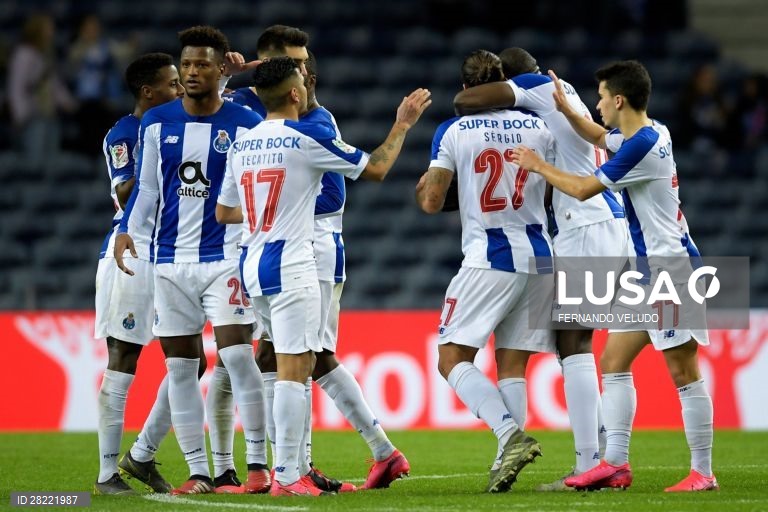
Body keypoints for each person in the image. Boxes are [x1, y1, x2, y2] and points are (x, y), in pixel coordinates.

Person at [216, 56, 430, 497]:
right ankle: (290, 476)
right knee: (296, 367)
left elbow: (223, 211)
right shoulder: (306, 138)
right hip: (294, 261)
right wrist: (403, 125)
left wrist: (266, 213)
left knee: (283, 361)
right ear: (295, 93)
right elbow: (376, 168)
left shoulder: (242, 145)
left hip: (251, 263)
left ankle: (291, 470)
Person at [511, 61, 717, 492]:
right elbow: (603, 137)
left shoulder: (642, 147)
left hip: (671, 271)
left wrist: (538, 165)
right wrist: (569, 112)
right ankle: (615, 464)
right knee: (613, 361)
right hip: (649, 273)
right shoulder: (651, 132)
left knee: (683, 371)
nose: (597, 105)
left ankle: (703, 472)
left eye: (601, 97)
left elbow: (584, 189)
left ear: (618, 99)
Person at [454, 47, 629, 490]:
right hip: (596, 222)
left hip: (586, 225)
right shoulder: (559, 95)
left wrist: (487, 94)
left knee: (575, 345)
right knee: (572, 343)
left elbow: (467, 102)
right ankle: (602, 452)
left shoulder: (533, 87)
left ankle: (593, 463)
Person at [114, 26, 268, 495]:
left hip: (225, 256)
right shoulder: (156, 121)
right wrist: (126, 231)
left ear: (222, 70)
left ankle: (258, 465)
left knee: (239, 355)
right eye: (186, 65)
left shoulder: (245, 123)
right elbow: (146, 189)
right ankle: (200, 471)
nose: (192, 72)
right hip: (169, 260)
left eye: (202, 64)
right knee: (181, 368)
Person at [416, 50, 553, 493]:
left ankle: (508, 434)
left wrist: (429, 186)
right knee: (511, 363)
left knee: (451, 357)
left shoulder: (453, 129)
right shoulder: (539, 125)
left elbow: (432, 201)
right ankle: (505, 462)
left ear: (464, 90)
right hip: (541, 253)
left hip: (490, 257)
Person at [93, 52, 184, 495]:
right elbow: (128, 189)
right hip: (133, 251)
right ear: (149, 91)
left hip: (172, 251)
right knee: (124, 356)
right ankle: (107, 473)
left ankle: (142, 455)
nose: (180, 89)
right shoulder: (126, 133)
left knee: (191, 361)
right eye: (172, 84)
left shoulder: (175, 126)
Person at [7, 13, 76, 167]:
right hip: (31, 116)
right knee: (34, 163)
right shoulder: (24, 54)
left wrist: (68, 102)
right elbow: (16, 87)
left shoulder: (44, 54)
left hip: (49, 114)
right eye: (48, 29)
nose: (52, 32)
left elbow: (53, 83)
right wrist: (20, 115)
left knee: (51, 162)